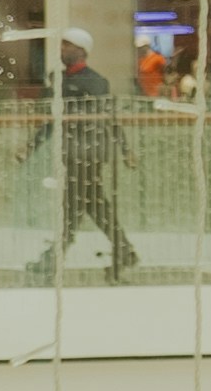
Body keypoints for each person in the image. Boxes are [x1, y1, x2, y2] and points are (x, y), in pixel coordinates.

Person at [39, 27, 138, 280]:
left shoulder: (95, 82)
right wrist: (31, 145)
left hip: (89, 153)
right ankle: (124, 251)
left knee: (74, 205)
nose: (61, 49)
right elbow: (52, 119)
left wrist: (125, 149)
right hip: (72, 152)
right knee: (93, 204)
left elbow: (108, 117)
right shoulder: (58, 79)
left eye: (67, 45)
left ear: (81, 50)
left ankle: (53, 258)